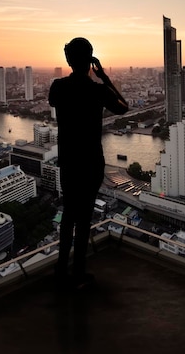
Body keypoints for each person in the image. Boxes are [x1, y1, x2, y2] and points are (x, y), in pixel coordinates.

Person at [49, 37, 129, 290]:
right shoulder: (98, 91)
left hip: (69, 162)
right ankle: (79, 272)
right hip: (92, 161)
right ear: (91, 60)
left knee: (68, 217)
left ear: (68, 60)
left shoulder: (58, 87)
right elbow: (124, 108)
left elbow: (53, 102)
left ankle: (62, 271)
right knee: (84, 219)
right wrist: (105, 78)